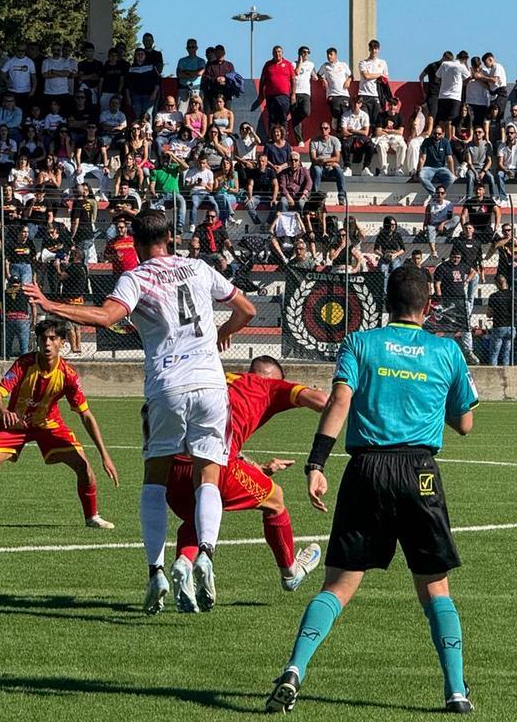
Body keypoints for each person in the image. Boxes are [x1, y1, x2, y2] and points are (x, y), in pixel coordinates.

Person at [266, 264, 477, 715]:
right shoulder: (446, 350)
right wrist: (423, 395)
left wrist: (317, 463)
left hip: (365, 470)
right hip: (419, 470)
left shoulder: (360, 343)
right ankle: (456, 691)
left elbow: (340, 401)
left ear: (386, 302)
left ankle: (294, 669)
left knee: (339, 584)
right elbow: (465, 424)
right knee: (434, 587)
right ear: (428, 304)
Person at [24, 209, 257, 614]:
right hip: (211, 383)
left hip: (168, 385)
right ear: (171, 235)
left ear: (134, 241)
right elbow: (248, 310)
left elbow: (105, 317)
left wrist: (50, 304)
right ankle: (205, 553)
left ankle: (157, 573)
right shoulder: (200, 268)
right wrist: (224, 333)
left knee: (155, 480)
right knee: (208, 474)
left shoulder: (137, 278)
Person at [166, 357, 328, 610]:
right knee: (275, 500)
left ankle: (183, 563)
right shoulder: (273, 386)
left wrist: (260, 469)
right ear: (276, 378)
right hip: (217, 467)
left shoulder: (224, 378)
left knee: (197, 517)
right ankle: (290, 573)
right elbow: (322, 402)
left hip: (172, 469)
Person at [0, 317, 118, 531]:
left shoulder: (68, 375)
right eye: (43, 339)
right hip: (15, 425)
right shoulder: (24, 364)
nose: (48, 344)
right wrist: (4, 411)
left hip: (49, 426)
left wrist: (104, 456)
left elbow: (86, 415)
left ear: (63, 342)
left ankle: (92, 517)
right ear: (38, 342)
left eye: (53, 339)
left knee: (85, 468)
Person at [308, 121, 347, 205]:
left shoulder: (335, 140)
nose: (323, 130)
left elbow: (337, 158)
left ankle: (341, 197)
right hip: (319, 166)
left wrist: (324, 160)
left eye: (326, 128)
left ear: (329, 130)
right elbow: (313, 159)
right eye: (322, 128)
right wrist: (330, 161)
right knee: (317, 170)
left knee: (339, 171)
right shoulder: (314, 141)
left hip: (329, 166)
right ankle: (314, 196)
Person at [486, 272, 517, 366]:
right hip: (511, 326)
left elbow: (489, 314)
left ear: (497, 284)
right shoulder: (514, 295)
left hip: (499, 325)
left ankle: (493, 371)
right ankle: (506, 372)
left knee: (494, 352)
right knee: (506, 353)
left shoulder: (494, 296)